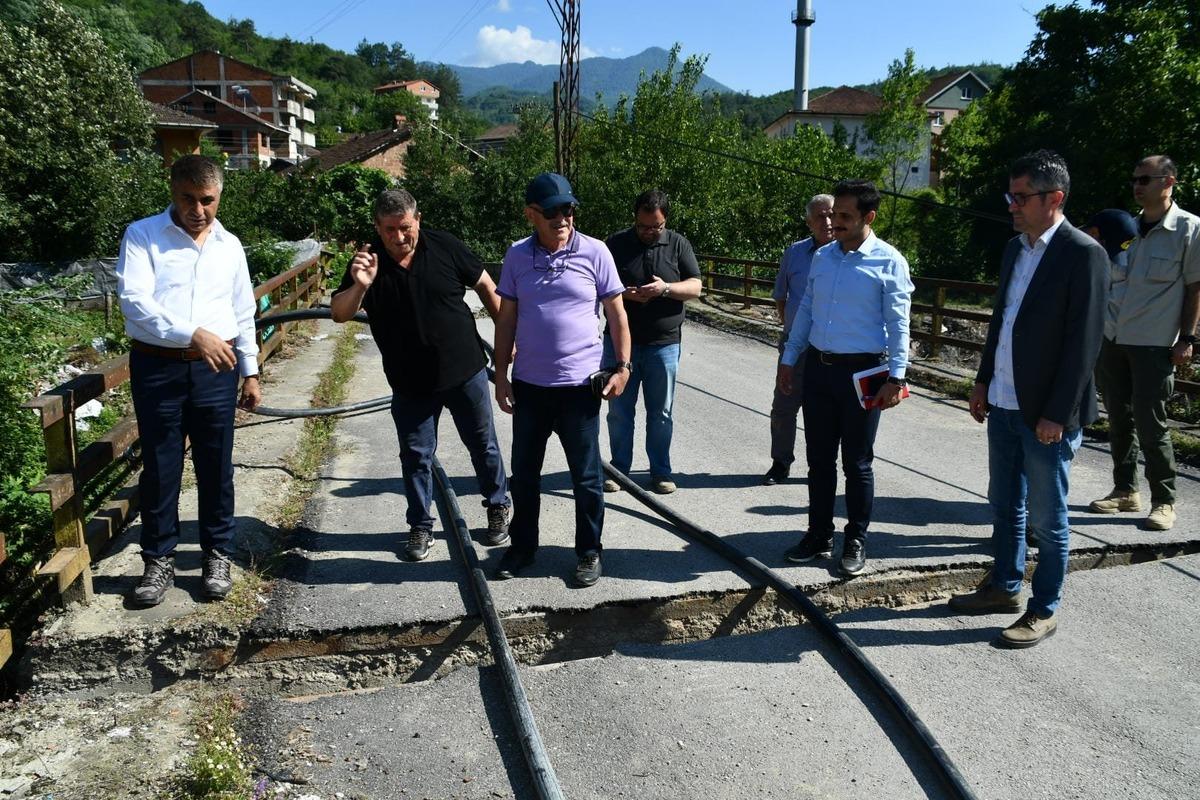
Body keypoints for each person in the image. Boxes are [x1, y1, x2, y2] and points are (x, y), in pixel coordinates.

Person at [948, 150, 1108, 649]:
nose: (1012, 206)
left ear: (1053, 198)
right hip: (1004, 400)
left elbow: (1084, 345)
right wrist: (982, 381)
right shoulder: (1015, 249)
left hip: (1046, 413)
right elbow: (1001, 321)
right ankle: (1004, 585)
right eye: (1011, 196)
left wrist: (1057, 413)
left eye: (1021, 197)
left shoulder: (1083, 253)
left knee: (1047, 518)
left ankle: (1044, 608)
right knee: (1004, 504)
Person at [330, 189, 510, 562]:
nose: (398, 237)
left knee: (483, 444)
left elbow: (486, 286)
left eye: (405, 228)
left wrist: (508, 341)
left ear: (418, 220)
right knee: (415, 457)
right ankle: (420, 525)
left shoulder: (445, 246)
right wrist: (361, 285)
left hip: (464, 371)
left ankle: (497, 505)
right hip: (410, 382)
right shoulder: (367, 263)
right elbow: (339, 313)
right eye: (389, 230)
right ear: (377, 227)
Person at [117, 155, 261, 606]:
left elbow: (243, 310)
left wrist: (251, 370)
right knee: (161, 466)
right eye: (188, 199)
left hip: (216, 369)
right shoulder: (143, 235)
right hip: (158, 365)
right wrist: (193, 334)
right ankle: (158, 559)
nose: (198, 210)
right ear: (173, 191)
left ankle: (217, 554)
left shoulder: (230, 245)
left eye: (207, 200)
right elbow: (134, 301)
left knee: (216, 465)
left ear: (220, 196)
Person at [492, 172, 632, 587]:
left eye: (568, 209)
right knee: (525, 475)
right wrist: (501, 376)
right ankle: (522, 547)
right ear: (531, 214)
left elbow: (617, 314)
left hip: (579, 388)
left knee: (586, 477)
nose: (563, 218)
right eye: (552, 211)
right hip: (531, 387)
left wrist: (623, 367)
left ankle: (589, 551)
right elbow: (506, 319)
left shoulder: (596, 252)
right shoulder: (517, 255)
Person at [775, 180, 913, 577]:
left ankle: (856, 538)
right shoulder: (823, 257)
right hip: (819, 369)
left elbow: (899, 325)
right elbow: (806, 311)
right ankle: (819, 534)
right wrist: (789, 358)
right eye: (833, 214)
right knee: (819, 460)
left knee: (857, 462)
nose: (834, 222)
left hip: (864, 373)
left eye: (844, 216)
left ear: (869, 217)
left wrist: (897, 377)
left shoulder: (889, 262)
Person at [1088, 156, 1200, 531]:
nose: (1137, 185)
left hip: (1153, 341)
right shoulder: (1126, 227)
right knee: (1118, 419)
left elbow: (1195, 289)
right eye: (1135, 179)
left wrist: (1187, 338)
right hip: (1113, 337)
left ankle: (1164, 501)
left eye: (1145, 179)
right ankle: (1125, 490)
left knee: (1152, 424)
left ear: (1168, 182)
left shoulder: (1189, 229)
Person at [601, 189, 702, 495]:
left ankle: (660, 471)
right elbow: (597, 284)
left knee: (661, 413)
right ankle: (619, 469)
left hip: (664, 344)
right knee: (619, 412)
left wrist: (665, 289)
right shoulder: (615, 244)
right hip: (620, 345)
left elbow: (695, 287)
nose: (648, 232)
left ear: (665, 221)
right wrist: (623, 293)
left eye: (655, 227)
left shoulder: (678, 244)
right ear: (635, 218)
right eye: (642, 226)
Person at [763, 193, 834, 486]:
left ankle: (821, 467)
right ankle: (780, 463)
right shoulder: (794, 253)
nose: (827, 221)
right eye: (820, 216)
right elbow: (781, 296)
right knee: (784, 407)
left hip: (832, 349)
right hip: (796, 345)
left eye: (831, 214)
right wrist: (791, 330)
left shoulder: (846, 254)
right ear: (809, 223)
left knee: (825, 412)